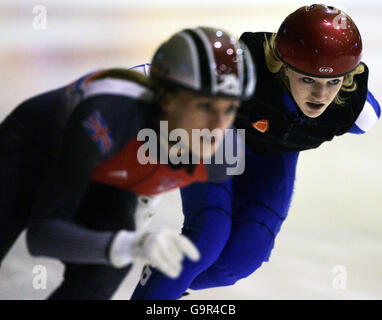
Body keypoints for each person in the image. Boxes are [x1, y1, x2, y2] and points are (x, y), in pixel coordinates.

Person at [131, 4, 380, 300]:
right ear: (282, 66)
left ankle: (165, 290)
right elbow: (149, 79)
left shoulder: (357, 112)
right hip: (220, 136)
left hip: (274, 156)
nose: (321, 96)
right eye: (308, 79)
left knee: (241, 261)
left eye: (334, 82)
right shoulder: (243, 69)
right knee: (207, 237)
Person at [0, 26, 256, 299]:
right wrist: (127, 244)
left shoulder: (223, 153)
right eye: (205, 106)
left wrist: (130, 238)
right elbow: (43, 235)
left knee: (106, 269)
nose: (218, 126)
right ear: (166, 97)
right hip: (32, 152)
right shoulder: (109, 115)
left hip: (102, 173)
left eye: (230, 109)